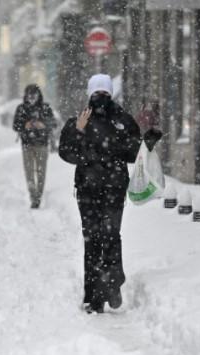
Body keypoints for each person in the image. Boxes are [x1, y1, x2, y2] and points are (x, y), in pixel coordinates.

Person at [58, 74, 161, 314]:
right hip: (87, 190)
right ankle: (93, 295)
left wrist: (147, 142)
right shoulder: (79, 120)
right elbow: (67, 152)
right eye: (96, 93)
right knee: (92, 240)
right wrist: (78, 132)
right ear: (89, 94)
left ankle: (113, 283)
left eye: (104, 93)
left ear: (111, 94)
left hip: (114, 188)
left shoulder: (123, 121)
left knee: (111, 236)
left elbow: (133, 153)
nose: (100, 97)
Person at [12, 84, 55, 209]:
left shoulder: (45, 108)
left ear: (38, 95)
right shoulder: (21, 109)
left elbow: (53, 123)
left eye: (34, 95)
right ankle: (33, 196)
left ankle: (39, 196)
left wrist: (43, 124)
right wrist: (25, 125)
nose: (31, 98)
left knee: (41, 173)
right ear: (25, 96)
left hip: (42, 145)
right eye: (29, 95)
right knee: (29, 172)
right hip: (27, 145)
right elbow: (15, 125)